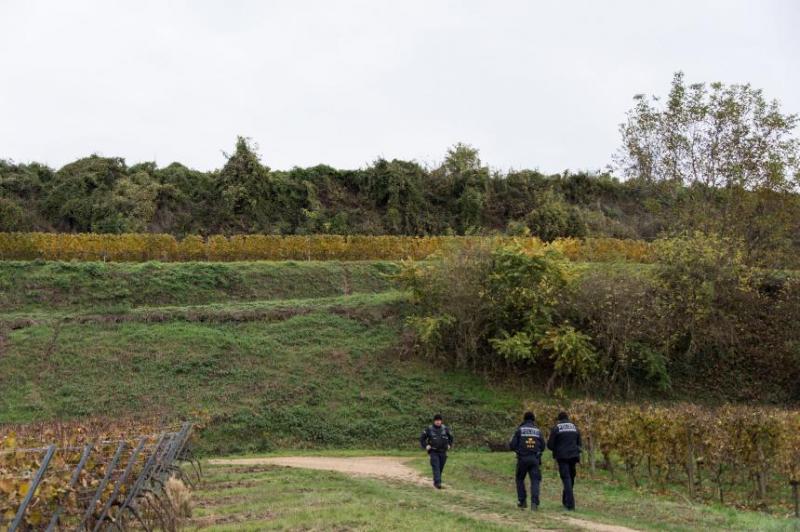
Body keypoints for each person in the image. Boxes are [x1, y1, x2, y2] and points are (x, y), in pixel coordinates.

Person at [509, 411, 545, 510]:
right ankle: (534, 503)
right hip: (535, 459)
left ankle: (522, 501)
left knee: (520, 479)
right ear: (533, 419)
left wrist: (518, 451)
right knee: (535, 481)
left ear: (524, 419)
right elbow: (543, 446)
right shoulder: (538, 431)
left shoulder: (519, 430)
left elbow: (512, 445)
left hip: (522, 459)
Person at [547, 411, 582, 511]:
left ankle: (570, 505)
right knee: (571, 478)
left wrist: (557, 449)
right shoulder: (575, 427)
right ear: (568, 418)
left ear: (559, 419)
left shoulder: (557, 428)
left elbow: (550, 445)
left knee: (566, 479)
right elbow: (579, 444)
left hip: (562, 457)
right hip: (574, 457)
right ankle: (565, 500)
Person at [419, 414, 453, 489]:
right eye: (436, 420)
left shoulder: (445, 429)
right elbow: (422, 439)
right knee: (436, 466)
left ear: (441, 421)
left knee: (440, 468)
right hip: (433, 452)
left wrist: (449, 445)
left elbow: (451, 437)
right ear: (434, 421)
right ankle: (438, 483)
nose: (438, 422)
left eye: (439, 420)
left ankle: (437, 481)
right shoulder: (429, 429)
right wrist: (426, 445)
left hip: (443, 452)